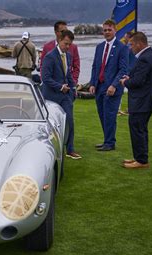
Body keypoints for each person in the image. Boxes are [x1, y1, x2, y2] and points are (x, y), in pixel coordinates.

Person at [120, 32, 152, 169]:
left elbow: (137, 82)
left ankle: (142, 161)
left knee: (138, 129)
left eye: (132, 45)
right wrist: (130, 77)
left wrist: (125, 82)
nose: (131, 48)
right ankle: (139, 157)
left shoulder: (145, 58)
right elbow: (141, 77)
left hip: (142, 101)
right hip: (146, 100)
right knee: (140, 129)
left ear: (139, 43)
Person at [89, 19, 129, 151]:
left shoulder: (122, 48)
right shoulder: (99, 47)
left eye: (109, 30)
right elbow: (95, 66)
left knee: (110, 115)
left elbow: (123, 70)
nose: (107, 32)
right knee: (102, 114)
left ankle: (110, 143)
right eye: (105, 30)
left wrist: (114, 85)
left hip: (112, 88)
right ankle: (107, 140)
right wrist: (92, 83)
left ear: (115, 30)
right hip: (99, 86)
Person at [41, 30, 81, 160]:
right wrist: (60, 87)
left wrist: (73, 87)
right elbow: (45, 78)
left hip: (65, 96)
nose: (68, 47)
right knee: (51, 125)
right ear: (59, 40)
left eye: (70, 44)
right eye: (66, 44)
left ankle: (70, 150)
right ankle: (49, 149)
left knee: (70, 122)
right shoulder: (49, 56)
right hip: (51, 96)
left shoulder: (68, 56)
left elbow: (68, 75)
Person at [40, 21, 80, 85]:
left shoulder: (73, 47)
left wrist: (74, 82)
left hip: (68, 86)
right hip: (51, 86)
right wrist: (44, 81)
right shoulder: (47, 47)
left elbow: (76, 67)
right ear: (56, 32)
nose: (65, 33)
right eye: (62, 31)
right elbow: (42, 66)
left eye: (66, 31)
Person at [118, 31, 137, 116]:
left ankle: (118, 109)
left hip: (127, 72)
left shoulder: (128, 48)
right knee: (132, 92)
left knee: (120, 90)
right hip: (133, 71)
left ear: (129, 38)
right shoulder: (134, 48)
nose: (124, 38)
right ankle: (131, 108)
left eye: (125, 37)